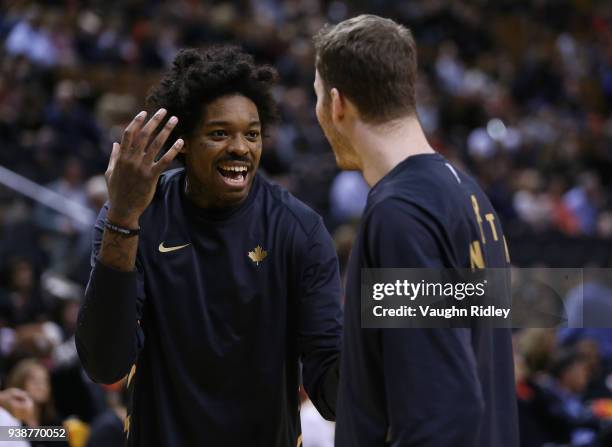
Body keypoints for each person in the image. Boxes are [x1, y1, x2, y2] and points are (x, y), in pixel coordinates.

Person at [76, 46, 342, 446]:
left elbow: (331, 388)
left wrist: (390, 342)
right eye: (220, 133)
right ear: (183, 141)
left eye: (252, 134)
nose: (241, 148)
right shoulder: (137, 215)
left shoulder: (299, 230)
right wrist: (123, 219)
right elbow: (104, 363)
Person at [313, 15, 519, 446]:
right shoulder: (468, 195)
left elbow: (445, 411)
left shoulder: (401, 214)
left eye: (317, 99)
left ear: (337, 104)